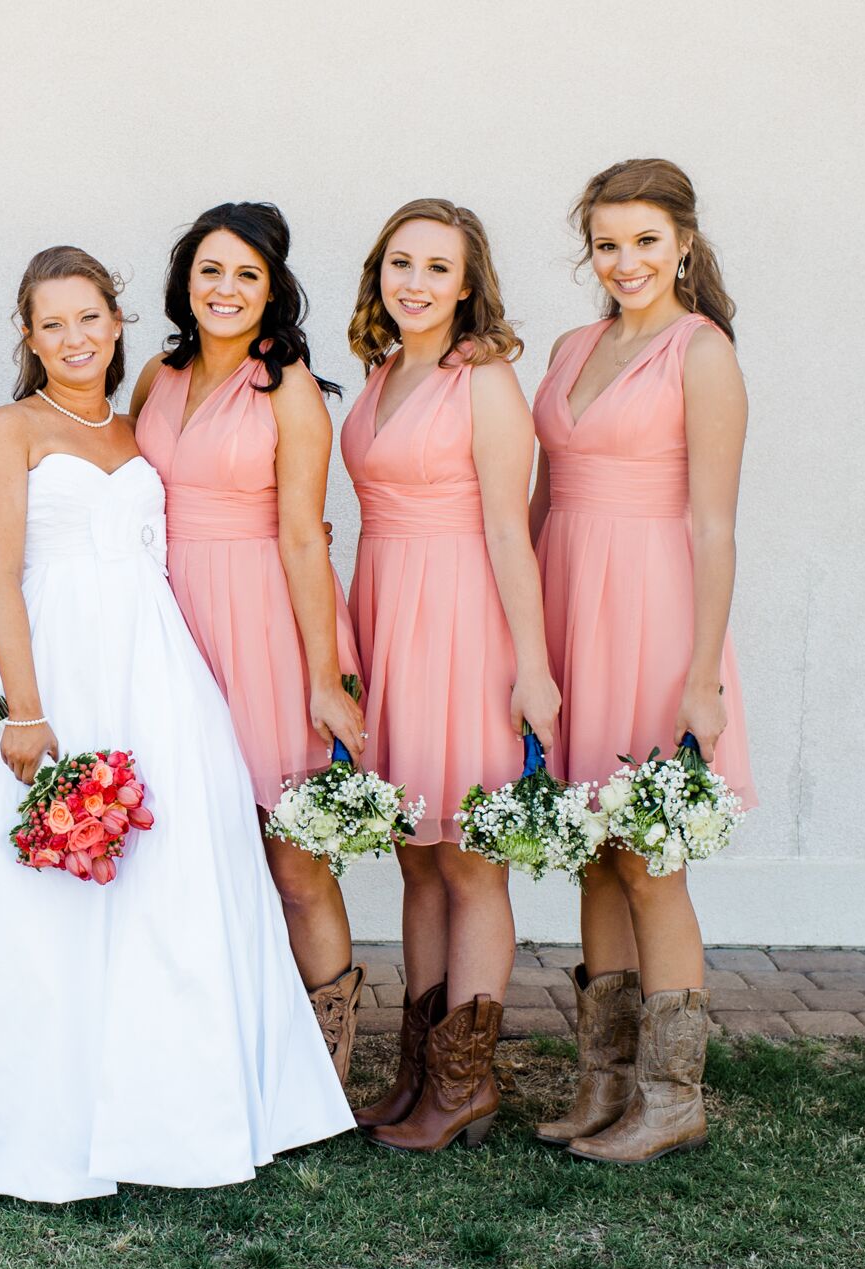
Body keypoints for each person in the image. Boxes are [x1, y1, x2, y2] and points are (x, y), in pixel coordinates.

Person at [0, 246, 354, 1202]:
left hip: (155, 662)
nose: (73, 338)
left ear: (119, 322)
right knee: (30, 890)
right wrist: (26, 708)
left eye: (89, 317)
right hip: (49, 658)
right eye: (51, 323)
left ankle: (167, 1098)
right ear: (27, 335)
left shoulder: (142, 425)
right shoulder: (10, 429)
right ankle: (33, 1104)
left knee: (172, 879)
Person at [529, 159, 756, 1163]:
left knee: (648, 860)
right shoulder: (573, 343)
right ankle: (603, 1080)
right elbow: (539, 503)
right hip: (569, 602)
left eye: (645, 242)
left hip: (655, 618)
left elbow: (714, 529)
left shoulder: (698, 353)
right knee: (592, 850)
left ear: (683, 245)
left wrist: (700, 674)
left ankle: (671, 1096)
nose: (625, 261)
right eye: (608, 243)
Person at [339, 199, 560, 1152]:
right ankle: (419, 1070)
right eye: (400, 263)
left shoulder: (487, 380)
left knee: (468, 857)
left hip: (465, 621)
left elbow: (511, 530)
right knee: (415, 855)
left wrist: (534, 668)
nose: (415, 282)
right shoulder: (385, 370)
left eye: (437, 267)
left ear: (467, 285)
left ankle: (466, 1083)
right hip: (389, 610)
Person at [130, 202, 369, 1080]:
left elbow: (305, 535)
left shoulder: (289, 386)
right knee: (188, 843)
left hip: (263, 624)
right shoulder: (156, 374)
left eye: (246, 274)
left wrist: (323, 676)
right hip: (167, 622)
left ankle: (326, 1067)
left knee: (292, 855)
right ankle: (207, 1046)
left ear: (273, 291)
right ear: (185, 281)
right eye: (210, 270)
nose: (224, 289)